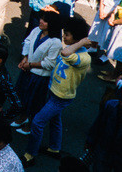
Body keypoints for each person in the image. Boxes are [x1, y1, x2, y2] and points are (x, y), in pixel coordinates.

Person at [22, 16, 92, 167]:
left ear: (77, 39)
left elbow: (66, 53)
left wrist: (81, 41)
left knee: (38, 122)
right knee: (55, 120)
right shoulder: (71, 48)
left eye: (67, 35)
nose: (63, 37)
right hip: (54, 90)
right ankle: (54, 148)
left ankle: (30, 154)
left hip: (62, 96)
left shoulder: (84, 57)